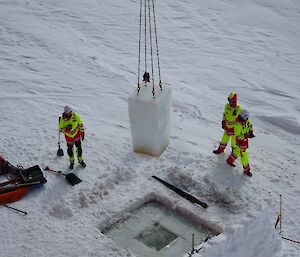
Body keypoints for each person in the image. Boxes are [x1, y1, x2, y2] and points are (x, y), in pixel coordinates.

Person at [226, 109, 255, 177]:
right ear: (243, 116)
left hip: (244, 141)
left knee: (236, 152)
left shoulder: (246, 120)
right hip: (240, 142)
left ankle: (229, 161)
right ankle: (246, 170)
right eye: (246, 117)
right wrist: (247, 135)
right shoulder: (238, 125)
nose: (247, 119)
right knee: (244, 156)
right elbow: (238, 136)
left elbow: (250, 124)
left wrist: (251, 131)